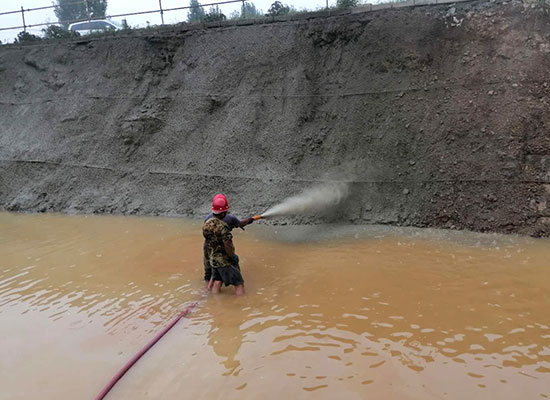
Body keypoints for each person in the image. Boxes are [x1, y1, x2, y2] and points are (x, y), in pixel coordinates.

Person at [203, 194, 254, 295]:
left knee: (217, 281)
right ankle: (242, 301)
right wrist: (232, 256)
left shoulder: (207, 222)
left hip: (212, 257)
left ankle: (214, 299)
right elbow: (227, 244)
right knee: (239, 283)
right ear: (224, 212)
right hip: (223, 260)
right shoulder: (224, 227)